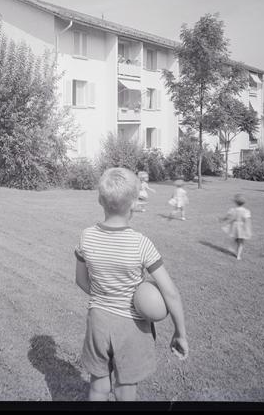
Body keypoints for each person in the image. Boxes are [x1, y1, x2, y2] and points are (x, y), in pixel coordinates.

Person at [74, 167, 188, 401]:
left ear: (99, 199)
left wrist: (103, 297)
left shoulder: (86, 236)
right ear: (135, 203)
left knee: (98, 388)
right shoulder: (141, 244)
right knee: (126, 391)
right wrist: (180, 333)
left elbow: (80, 280)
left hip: (98, 321)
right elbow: (170, 293)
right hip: (132, 327)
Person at [220, 193, 252, 260]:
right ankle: (238, 255)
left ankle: (232, 247)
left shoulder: (233, 210)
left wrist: (222, 219)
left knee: (236, 239)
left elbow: (228, 217)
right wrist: (247, 229)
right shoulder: (246, 211)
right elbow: (246, 220)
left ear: (235, 202)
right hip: (242, 227)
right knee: (241, 242)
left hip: (235, 227)